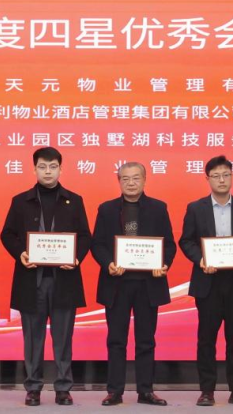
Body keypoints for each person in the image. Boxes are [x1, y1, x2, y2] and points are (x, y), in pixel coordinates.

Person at [0, 147, 92, 406]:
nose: (47, 171)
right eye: (42, 166)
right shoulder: (21, 201)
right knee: (33, 339)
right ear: (34, 169)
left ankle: (63, 387)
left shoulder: (74, 200)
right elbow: (7, 234)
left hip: (64, 280)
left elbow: (85, 235)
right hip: (32, 280)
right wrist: (21, 253)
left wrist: (76, 257)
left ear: (61, 169)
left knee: (63, 338)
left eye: (53, 167)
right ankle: (33, 388)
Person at [179, 155, 233, 407]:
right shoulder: (196, 208)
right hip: (208, 282)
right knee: (206, 339)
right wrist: (201, 259)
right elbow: (186, 240)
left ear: (232, 177)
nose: (222, 180)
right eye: (216, 176)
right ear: (207, 179)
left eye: (226, 175)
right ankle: (207, 391)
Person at [91, 162, 175, 406]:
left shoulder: (158, 208)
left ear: (144, 180)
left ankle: (145, 391)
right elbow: (98, 244)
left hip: (148, 284)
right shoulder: (106, 209)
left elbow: (169, 244)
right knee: (116, 340)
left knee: (146, 340)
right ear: (119, 181)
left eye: (136, 178)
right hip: (116, 284)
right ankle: (114, 391)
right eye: (125, 178)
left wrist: (163, 264)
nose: (130, 183)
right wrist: (108, 263)